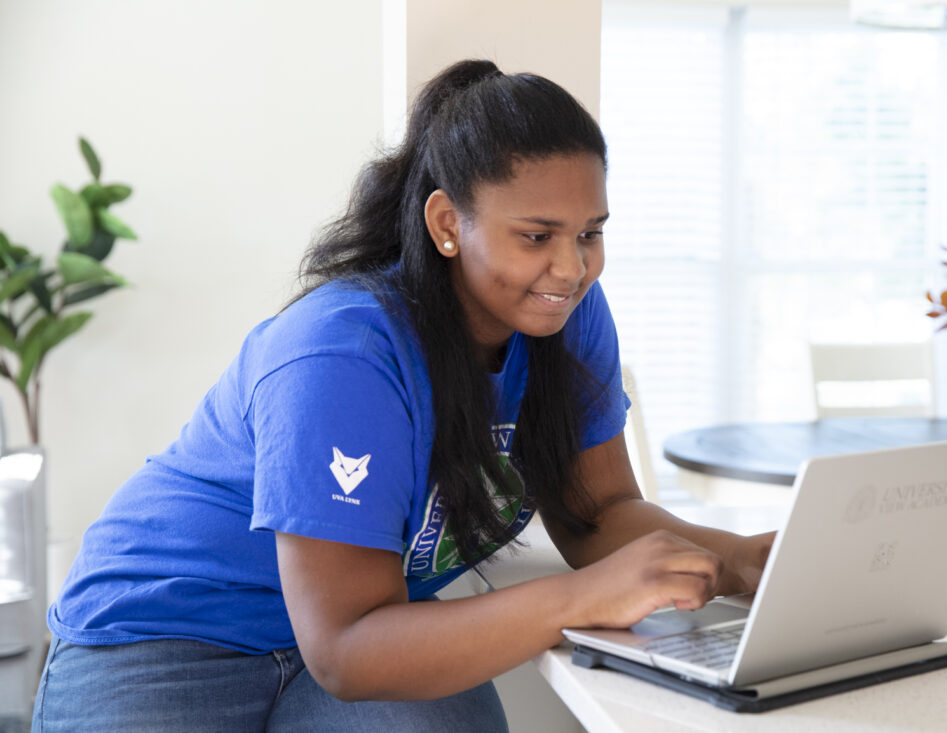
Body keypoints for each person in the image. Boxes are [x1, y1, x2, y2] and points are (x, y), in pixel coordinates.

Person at [33, 59, 774, 732]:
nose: (571, 267)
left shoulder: (570, 319)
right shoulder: (342, 351)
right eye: (537, 235)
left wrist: (742, 561)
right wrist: (582, 600)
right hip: (162, 637)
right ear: (449, 223)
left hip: (355, 636)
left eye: (590, 234)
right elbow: (347, 648)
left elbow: (598, 511)